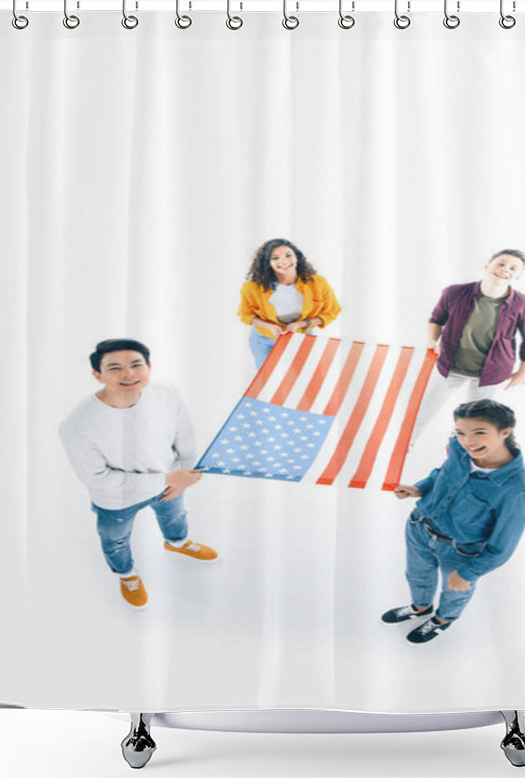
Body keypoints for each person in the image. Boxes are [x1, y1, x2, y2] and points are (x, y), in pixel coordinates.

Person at [59, 339, 218, 610]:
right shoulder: (78, 425)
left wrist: (186, 474)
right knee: (115, 539)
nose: (129, 374)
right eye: (115, 368)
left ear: (149, 367)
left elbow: (184, 433)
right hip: (118, 499)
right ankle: (126, 574)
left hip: (169, 485)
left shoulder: (166, 392)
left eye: (136, 365)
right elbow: (97, 478)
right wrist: (169, 479)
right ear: (97, 375)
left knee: (176, 517)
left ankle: (177, 543)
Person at [383, 399, 525, 645]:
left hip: (459, 550)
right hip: (420, 527)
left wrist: (468, 573)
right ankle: (420, 608)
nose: (468, 441)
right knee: (416, 575)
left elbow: (502, 546)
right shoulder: (458, 447)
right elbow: (442, 473)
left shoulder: (518, 489)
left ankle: (442, 620)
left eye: (479, 433)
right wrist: (419, 489)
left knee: (454, 590)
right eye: (461, 432)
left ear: (505, 432)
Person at [410, 249, 525, 445]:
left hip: (490, 373)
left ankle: (457, 453)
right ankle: (402, 450)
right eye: (501, 263)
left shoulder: (523, 304)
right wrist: (432, 342)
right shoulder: (454, 292)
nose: (505, 270)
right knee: (420, 412)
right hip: (449, 367)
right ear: (488, 265)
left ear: (518, 276)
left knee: (472, 422)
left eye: (513, 268)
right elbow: (436, 320)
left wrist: (523, 371)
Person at [238, 238, 342, 369]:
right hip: (265, 340)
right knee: (268, 381)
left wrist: (302, 324)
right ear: (268, 263)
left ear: (297, 258)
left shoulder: (318, 283)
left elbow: (331, 311)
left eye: (288, 255)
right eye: (275, 258)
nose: (283, 261)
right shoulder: (252, 287)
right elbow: (246, 315)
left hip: (302, 337)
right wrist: (269, 326)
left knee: (307, 379)